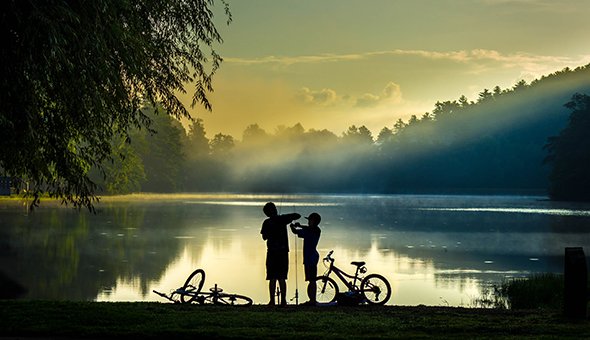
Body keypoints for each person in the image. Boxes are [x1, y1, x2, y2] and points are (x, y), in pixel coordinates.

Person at [261, 202, 301, 306]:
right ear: (275, 210)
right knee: (282, 277)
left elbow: (264, 237)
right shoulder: (283, 220)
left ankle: (272, 301)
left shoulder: (266, 222)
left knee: (272, 277)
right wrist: (283, 217)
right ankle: (283, 301)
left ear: (266, 213)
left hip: (272, 252)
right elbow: (297, 215)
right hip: (283, 252)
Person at [290, 212, 321, 306]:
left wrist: (293, 227)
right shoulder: (313, 230)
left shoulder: (314, 230)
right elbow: (303, 230)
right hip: (311, 257)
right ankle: (312, 300)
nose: (308, 222)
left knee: (312, 280)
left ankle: (312, 301)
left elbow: (296, 232)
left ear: (313, 221)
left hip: (310, 257)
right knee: (311, 279)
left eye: (309, 220)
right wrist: (298, 226)